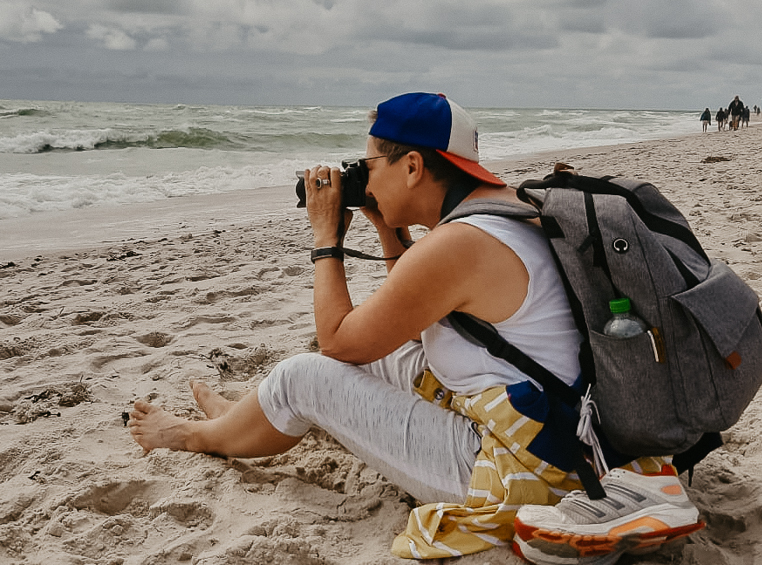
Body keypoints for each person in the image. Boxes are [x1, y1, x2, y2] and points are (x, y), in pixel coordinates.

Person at [128, 92, 702, 563]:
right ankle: (240, 420)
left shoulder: (459, 243)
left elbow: (337, 338)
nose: (364, 179)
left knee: (307, 371)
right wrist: (386, 228)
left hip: (525, 463)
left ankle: (193, 437)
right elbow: (413, 324)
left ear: (411, 165)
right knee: (364, 356)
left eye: (370, 165)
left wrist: (326, 237)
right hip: (568, 424)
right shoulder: (505, 210)